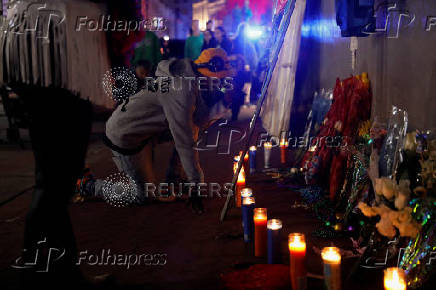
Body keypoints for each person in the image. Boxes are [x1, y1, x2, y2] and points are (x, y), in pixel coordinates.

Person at [77, 48, 235, 214]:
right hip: (126, 135)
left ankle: (174, 180)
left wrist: (220, 105)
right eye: (217, 79)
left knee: (190, 129)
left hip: (149, 132)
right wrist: (196, 184)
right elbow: (184, 140)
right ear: (203, 73)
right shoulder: (181, 91)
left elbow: (196, 124)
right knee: (143, 196)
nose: (219, 83)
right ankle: (87, 185)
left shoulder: (188, 74)